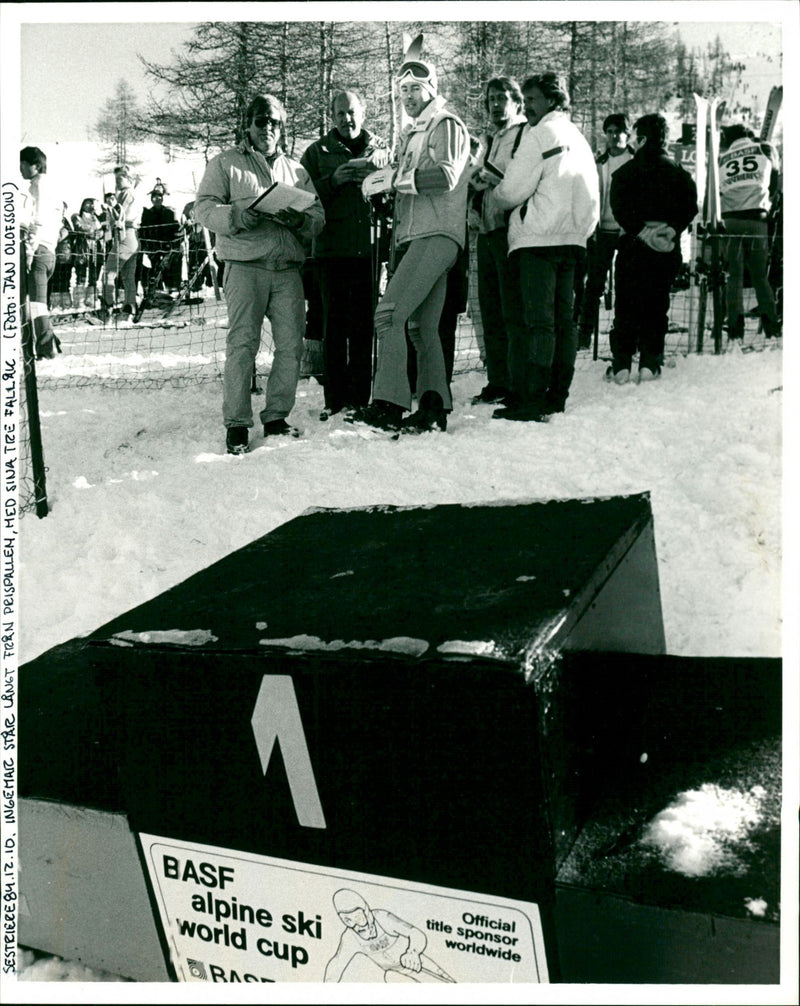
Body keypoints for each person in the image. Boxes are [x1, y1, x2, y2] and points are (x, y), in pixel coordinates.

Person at [194, 93, 324, 454]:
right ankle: (236, 423)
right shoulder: (225, 165)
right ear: (247, 126)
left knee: (290, 345)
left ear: (283, 127)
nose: (268, 128)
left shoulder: (296, 171)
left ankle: (276, 416)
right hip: (245, 267)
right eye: (261, 121)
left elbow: (318, 217)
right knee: (242, 345)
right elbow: (202, 208)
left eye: (275, 122)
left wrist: (300, 220)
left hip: (286, 270)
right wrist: (236, 217)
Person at [352, 53, 470, 434]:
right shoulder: (416, 131)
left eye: (415, 89)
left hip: (436, 234)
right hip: (418, 235)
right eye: (402, 90)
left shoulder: (445, 123)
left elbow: (447, 176)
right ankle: (433, 406)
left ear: (431, 89)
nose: (408, 96)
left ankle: (389, 403)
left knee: (388, 315)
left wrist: (396, 180)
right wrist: (386, 188)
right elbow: (410, 183)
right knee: (421, 326)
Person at [490, 72, 599, 421]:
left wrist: (493, 196)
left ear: (551, 100)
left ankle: (532, 398)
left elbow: (510, 190)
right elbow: (592, 189)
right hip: (573, 239)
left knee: (539, 322)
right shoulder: (578, 136)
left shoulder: (539, 134)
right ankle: (557, 396)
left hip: (537, 239)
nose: (528, 106)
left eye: (532, 99)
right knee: (564, 320)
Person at [300, 90, 390, 420]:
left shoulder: (380, 148)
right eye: (339, 113)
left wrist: (379, 178)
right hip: (331, 251)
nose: (345, 119)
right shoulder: (316, 152)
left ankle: (360, 396)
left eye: (351, 112)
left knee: (364, 326)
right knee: (334, 327)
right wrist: (332, 180)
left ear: (362, 113)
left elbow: (394, 190)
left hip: (367, 250)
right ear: (332, 116)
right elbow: (302, 196)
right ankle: (335, 400)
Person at [607, 113, 698, 383]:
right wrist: (671, 229)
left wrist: (641, 231)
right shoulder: (679, 173)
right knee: (656, 306)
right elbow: (690, 207)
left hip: (633, 245)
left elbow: (618, 207)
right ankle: (650, 363)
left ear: (643, 138)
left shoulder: (624, 172)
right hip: (666, 248)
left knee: (626, 306)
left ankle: (622, 364)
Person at [468, 76, 528, 406]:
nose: (495, 103)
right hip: (486, 231)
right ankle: (497, 380)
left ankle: (516, 382)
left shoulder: (523, 134)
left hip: (510, 232)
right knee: (488, 310)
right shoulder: (492, 138)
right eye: (490, 97)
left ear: (516, 102)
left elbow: (523, 180)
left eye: (502, 97)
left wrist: (495, 178)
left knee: (511, 311)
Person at [718, 123, 781, 340]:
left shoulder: (723, 158)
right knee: (759, 276)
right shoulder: (764, 149)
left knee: (733, 277)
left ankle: (735, 329)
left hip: (731, 220)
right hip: (757, 219)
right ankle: (771, 326)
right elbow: (775, 182)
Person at [577, 113, 634, 348]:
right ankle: (584, 334)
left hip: (628, 231)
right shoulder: (599, 162)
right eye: (609, 132)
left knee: (627, 284)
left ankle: (626, 333)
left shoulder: (635, 160)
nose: (613, 136)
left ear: (627, 134)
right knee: (594, 284)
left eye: (618, 132)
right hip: (603, 231)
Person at [324, 889, 454, 983]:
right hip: (398, 976)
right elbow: (336, 964)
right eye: (348, 921)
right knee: (390, 976)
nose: (357, 926)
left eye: (358, 917)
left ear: (366, 912)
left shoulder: (382, 917)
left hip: (419, 964)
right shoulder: (350, 937)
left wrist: (412, 952)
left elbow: (416, 933)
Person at [19, 146, 63, 359]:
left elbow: (38, 220)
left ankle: (46, 350)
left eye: (24, 164)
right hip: (50, 250)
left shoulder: (39, 186)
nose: (21, 169)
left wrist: (29, 251)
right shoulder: (52, 186)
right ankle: (46, 342)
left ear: (34, 165)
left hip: (38, 250)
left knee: (37, 304)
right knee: (36, 302)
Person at [101, 165, 139, 321]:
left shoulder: (126, 194)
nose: (116, 182)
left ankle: (107, 307)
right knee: (128, 276)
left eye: (119, 178)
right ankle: (130, 307)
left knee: (109, 273)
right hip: (132, 237)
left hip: (124, 236)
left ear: (127, 178)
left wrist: (108, 209)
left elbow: (119, 215)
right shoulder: (130, 193)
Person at [138, 182, 182, 294]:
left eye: (159, 197)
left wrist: (175, 240)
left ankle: (172, 288)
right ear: (151, 200)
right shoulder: (147, 213)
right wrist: (146, 245)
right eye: (154, 197)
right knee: (155, 267)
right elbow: (144, 230)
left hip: (167, 245)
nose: (157, 199)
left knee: (170, 265)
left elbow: (175, 228)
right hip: (153, 246)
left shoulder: (169, 212)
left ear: (162, 199)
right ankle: (156, 290)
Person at [71, 197, 103, 309]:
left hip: (95, 249)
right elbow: (80, 227)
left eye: (92, 204)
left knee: (94, 275)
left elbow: (102, 232)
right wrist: (93, 231)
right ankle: (79, 301)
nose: (90, 206)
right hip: (82, 248)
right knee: (81, 275)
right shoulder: (77, 216)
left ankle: (91, 299)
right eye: (87, 203)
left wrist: (97, 233)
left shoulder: (97, 217)